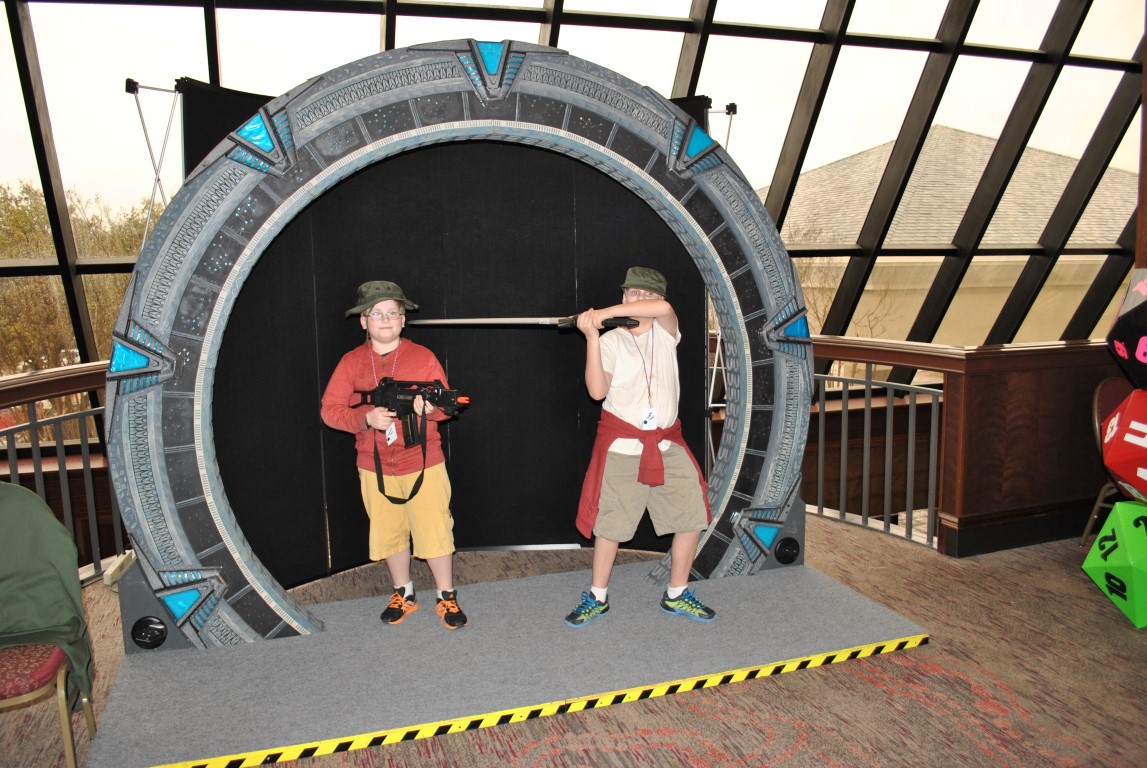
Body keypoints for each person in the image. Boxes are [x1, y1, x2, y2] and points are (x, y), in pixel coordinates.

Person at [565, 266, 715, 628]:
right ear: (624, 296)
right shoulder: (612, 342)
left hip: (667, 444)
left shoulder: (666, 332)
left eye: (646, 294)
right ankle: (597, 597)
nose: (639, 300)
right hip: (623, 448)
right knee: (611, 527)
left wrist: (603, 313)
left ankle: (677, 593)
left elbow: (663, 310)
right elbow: (597, 391)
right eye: (632, 293)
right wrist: (592, 336)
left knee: (692, 516)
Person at [320, 280, 467, 630]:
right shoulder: (351, 363)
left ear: (403, 320)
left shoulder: (423, 357)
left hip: (423, 463)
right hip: (374, 466)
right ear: (363, 321)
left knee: (435, 530)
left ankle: (446, 594)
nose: (385, 320)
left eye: (392, 313)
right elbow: (329, 410)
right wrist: (364, 418)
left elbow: (446, 407)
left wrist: (431, 410)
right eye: (377, 314)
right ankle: (404, 591)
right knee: (389, 532)